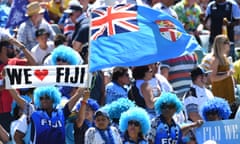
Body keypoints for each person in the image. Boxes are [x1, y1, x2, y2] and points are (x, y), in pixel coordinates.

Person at [8, 86, 85, 144]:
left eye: (47, 98)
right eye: (41, 98)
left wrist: (88, 77)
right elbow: (17, 136)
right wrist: (8, 82)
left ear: (54, 99)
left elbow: (78, 94)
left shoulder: (62, 112)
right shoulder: (33, 112)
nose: (44, 100)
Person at [0, 39, 36, 133]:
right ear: (4, 49)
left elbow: (33, 64)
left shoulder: (14, 62)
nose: (12, 49)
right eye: (10, 47)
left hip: (15, 110)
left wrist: (21, 46)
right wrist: (7, 82)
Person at [209, 34, 235, 104]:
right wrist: (227, 74)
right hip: (220, 93)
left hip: (227, 92)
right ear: (221, 45)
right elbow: (212, 78)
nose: (229, 44)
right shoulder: (216, 59)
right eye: (227, 42)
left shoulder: (224, 57)